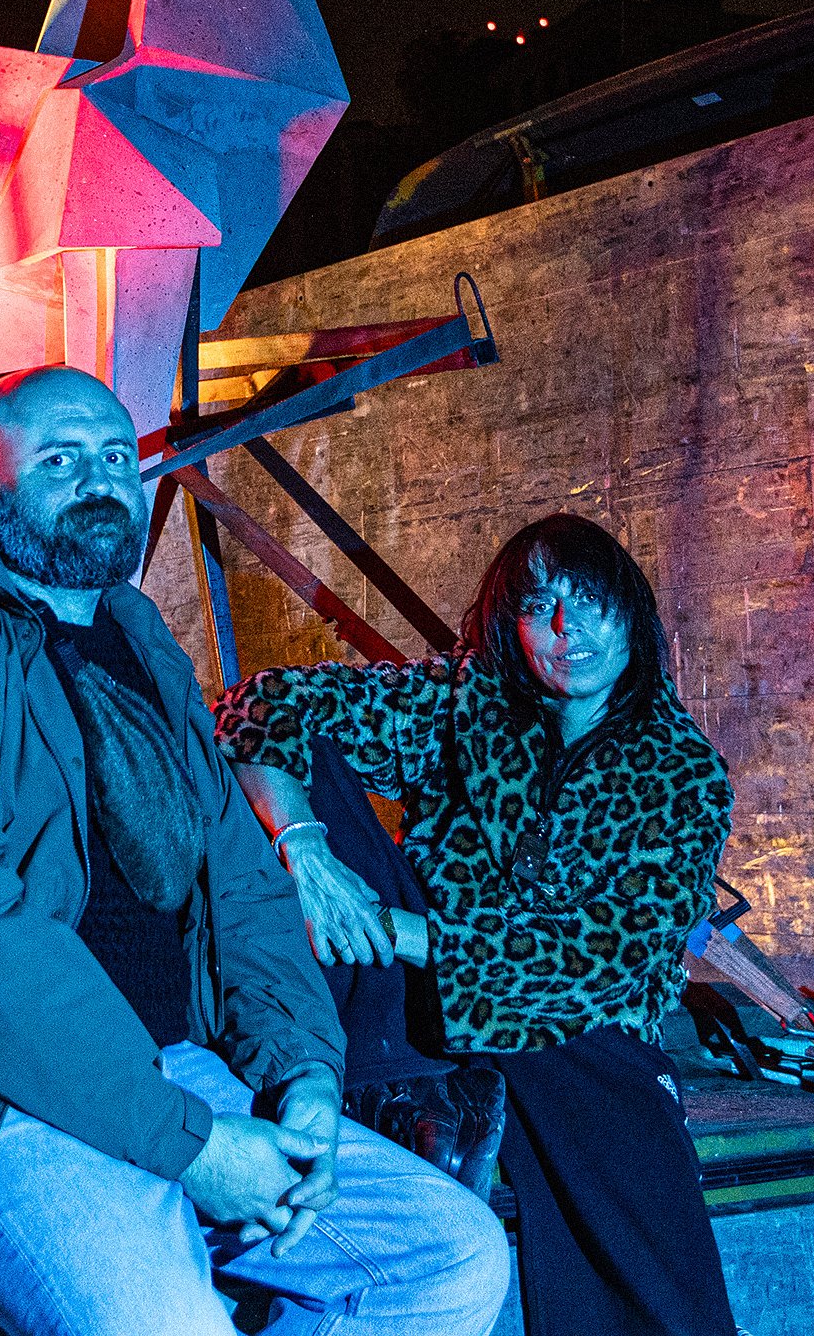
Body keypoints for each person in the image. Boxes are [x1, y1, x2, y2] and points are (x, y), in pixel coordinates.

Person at [0, 366, 509, 1336]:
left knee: (451, 1260)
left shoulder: (143, 649)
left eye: (115, 457)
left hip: (168, 1073)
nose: (96, 478)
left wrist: (302, 1076)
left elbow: (243, 887)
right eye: (57, 458)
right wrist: (191, 1143)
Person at [216, 513, 739, 1336]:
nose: (569, 632)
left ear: (631, 613)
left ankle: (416, 1097)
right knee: (295, 758)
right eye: (541, 608)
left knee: (643, 1226)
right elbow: (264, 704)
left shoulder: (683, 775)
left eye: (591, 604)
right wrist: (307, 851)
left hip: (574, 1025)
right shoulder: (463, 706)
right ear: (511, 624)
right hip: (405, 1005)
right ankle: (375, 1082)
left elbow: (605, 960)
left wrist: (404, 933)